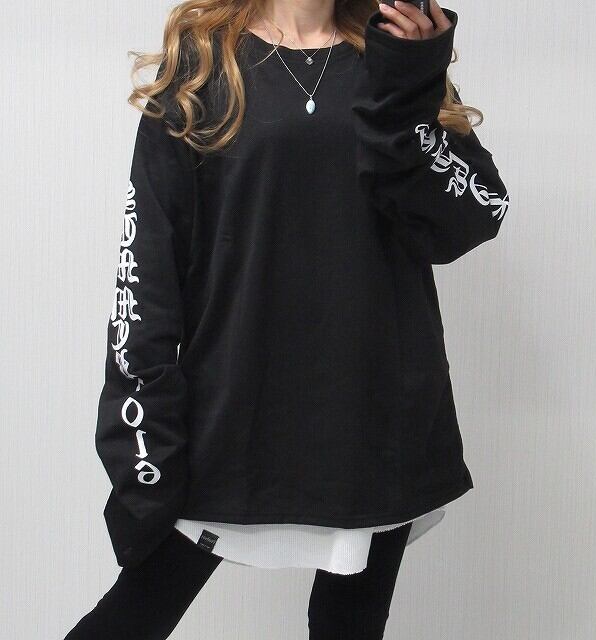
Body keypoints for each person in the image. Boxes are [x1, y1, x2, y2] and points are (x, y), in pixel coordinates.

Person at [64, 0, 509, 637]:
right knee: (133, 616)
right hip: (232, 417)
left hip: (374, 414)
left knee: (350, 627)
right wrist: (145, 439)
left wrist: (411, 82)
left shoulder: (387, 61)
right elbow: (148, 275)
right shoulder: (204, 64)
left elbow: (472, 216)